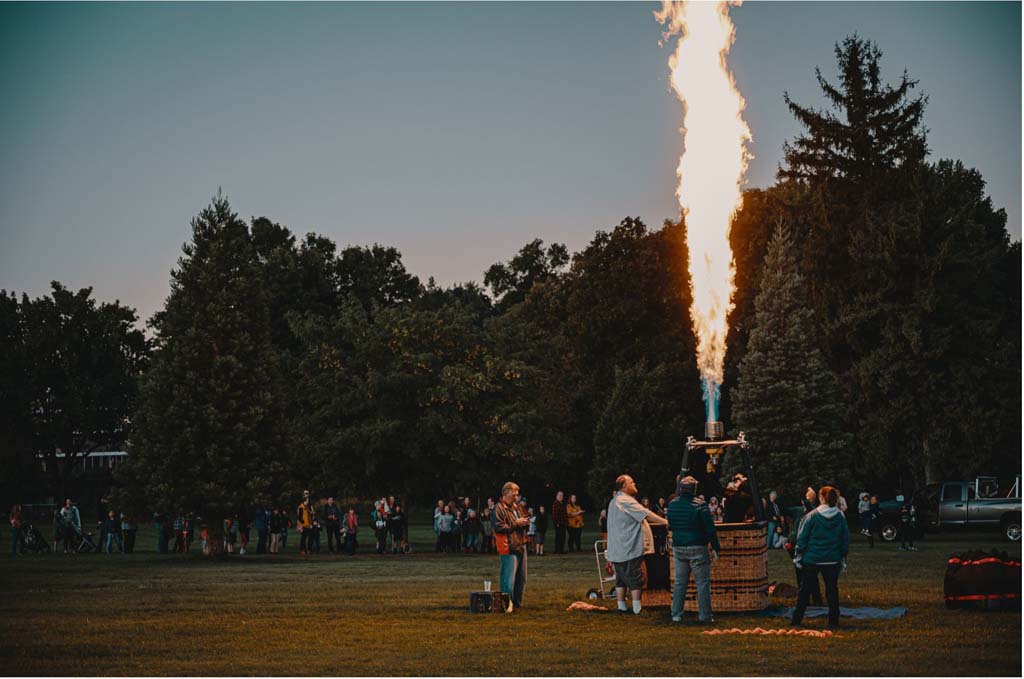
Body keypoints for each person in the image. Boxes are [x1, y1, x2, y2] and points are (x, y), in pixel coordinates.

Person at [607, 474, 669, 615]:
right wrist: (666, 522)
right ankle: (637, 608)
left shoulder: (614, 501)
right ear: (624, 486)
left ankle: (621, 606)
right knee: (636, 576)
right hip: (629, 546)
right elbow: (646, 514)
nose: (634, 484)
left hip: (618, 548)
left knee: (621, 578)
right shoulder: (626, 501)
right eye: (631, 482)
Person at [791, 485, 850, 629]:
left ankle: (797, 619)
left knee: (805, 590)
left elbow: (802, 537)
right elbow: (845, 538)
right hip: (832, 559)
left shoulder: (812, 516)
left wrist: (799, 552)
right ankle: (833, 620)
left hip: (812, 559)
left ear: (821, 498)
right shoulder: (840, 516)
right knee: (832, 590)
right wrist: (842, 554)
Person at [668, 476, 720, 624]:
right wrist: (716, 547)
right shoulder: (700, 505)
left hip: (679, 547)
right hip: (697, 546)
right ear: (694, 490)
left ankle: (676, 614)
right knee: (702, 583)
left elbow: (671, 524)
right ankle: (705, 616)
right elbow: (710, 529)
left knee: (680, 582)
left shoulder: (673, 505)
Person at [493, 481, 531, 613]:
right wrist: (516, 523)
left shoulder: (516, 507)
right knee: (508, 579)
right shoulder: (499, 508)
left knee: (521, 579)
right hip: (509, 547)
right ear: (506, 493)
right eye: (514, 494)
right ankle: (506, 605)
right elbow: (498, 527)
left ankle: (516, 604)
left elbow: (519, 521)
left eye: (517, 494)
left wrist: (525, 522)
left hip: (521, 545)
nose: (516, 497)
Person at [296, 491, 315, 556]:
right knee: (303, 538)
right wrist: (301, 525)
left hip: (309, 524)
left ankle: (309, 549)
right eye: (306, 501)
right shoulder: (301, 507)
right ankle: (302, 550)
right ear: (304, 501)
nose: (307, 502)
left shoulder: (307, 507)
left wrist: (312, 514)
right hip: (304, 525)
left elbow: (312, 513)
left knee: (310, 538)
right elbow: (299, 518)